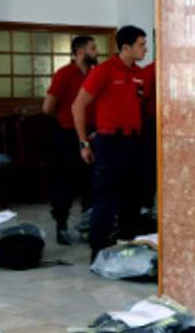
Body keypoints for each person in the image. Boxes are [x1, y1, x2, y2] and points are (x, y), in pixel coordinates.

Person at [71, 25, 148, 260]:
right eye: (141, 45)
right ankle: (98, 251)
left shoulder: (138, 73)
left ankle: (126, 247)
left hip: (133, 142)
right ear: (126, 47)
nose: (145, 49)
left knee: (132, 198)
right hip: (110, 143)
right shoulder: (104, 71)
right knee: (107, 198)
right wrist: (84, 142)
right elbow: (78, 105)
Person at [43, 35, 97, 245]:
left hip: (92, 134)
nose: (96, 52)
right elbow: (48, 107)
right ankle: (61, 227)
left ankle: (88, 226)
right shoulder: (64, 74)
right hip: (67, 135)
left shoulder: (95, 74)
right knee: (64, 183)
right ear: (81, 52)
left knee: (91, 183)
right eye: (93, 48)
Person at [136, 61, 157, 215]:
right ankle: (146, 206)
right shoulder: (150, 71)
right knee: (149, 168)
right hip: (152, 124)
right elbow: (141, 101)